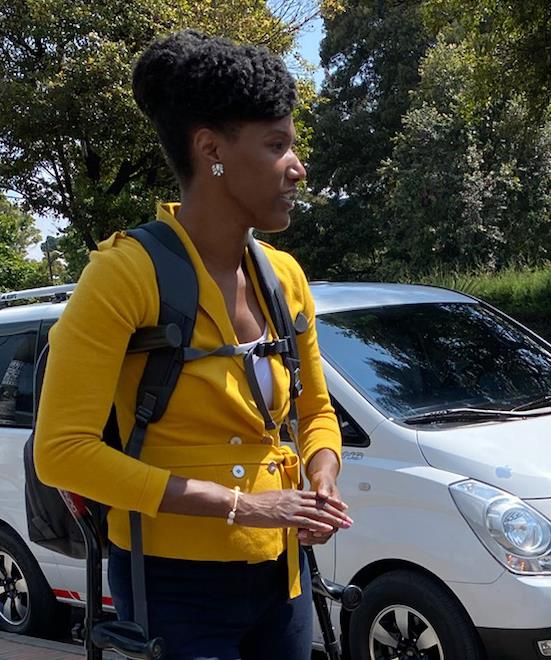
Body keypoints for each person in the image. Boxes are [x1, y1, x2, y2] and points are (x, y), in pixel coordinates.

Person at [34, 30, 351, 660]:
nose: (297, 165)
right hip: (170, 584)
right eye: (276, 144)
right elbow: (62, 454)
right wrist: (241, 506)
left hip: (281, 574)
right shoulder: (124, 273)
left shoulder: (284, 276)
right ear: (212, 150)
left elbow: (315, 413)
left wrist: (323, 476)